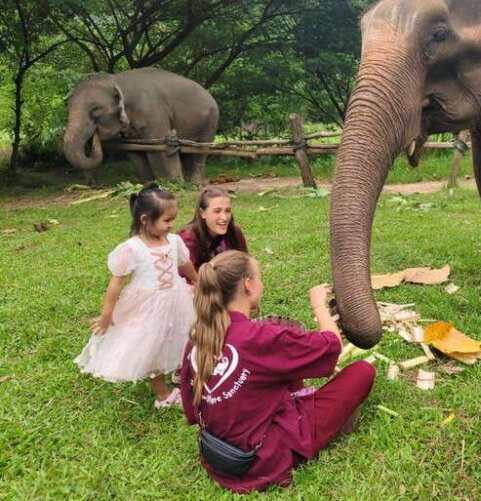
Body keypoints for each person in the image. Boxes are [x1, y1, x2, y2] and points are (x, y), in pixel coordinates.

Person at [179, 250, 375, 492]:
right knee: (362, 371)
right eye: (259, 278)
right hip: (264, 460)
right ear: (248, 285)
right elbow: (332, 346)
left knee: (276, 368)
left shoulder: (198, 337)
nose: (261, 283)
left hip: (219, 456)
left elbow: (191, 410)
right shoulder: (259, 338)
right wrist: (318, 304)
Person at [74, 184, 198, 408]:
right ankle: (163, 395)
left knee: (183, 335)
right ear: (145, 220)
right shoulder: (132, 248)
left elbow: (185, 263)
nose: (172, 225)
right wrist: (106, 314)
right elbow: (116, 283)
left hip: (176, 299)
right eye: (167, 220)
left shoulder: (174, 241)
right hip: (147, 307)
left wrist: (197, 282)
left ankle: (183, 373)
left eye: (173, 219)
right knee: (151, 347)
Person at [178, 187, 247, 280]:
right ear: (203, 213)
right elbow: (185, 281)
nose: (224, 217)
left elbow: (246, 264)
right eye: (217, 211)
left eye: (227, 211)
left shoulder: (234, 231)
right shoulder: (188, 238)